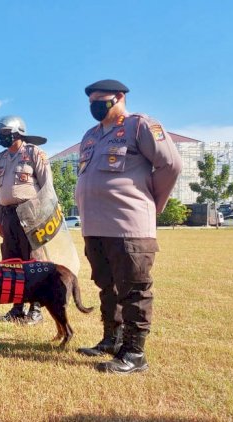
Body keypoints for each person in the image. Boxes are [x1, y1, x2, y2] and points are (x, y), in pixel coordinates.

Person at [74, 79, 182, 374]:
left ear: (119, 97)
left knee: (133, 289)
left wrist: (148, 203)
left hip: (129, 225)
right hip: (95, 226)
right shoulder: (91, 136)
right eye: (91, 101)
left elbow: (170, 165)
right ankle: (112, 339)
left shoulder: (140, 126)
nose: (94, 105)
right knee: (106, 286)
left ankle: (134, 354)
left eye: (101, 99)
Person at [0, 116, 52, 325]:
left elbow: (47, 186)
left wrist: (45, 216)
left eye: (4, 133)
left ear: (17, 133)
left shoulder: (33, 153)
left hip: (31, 213)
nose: (0, 137)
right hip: (8, 216)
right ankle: (17, 307)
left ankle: (36, 309)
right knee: (12, 262)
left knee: (34, 261)